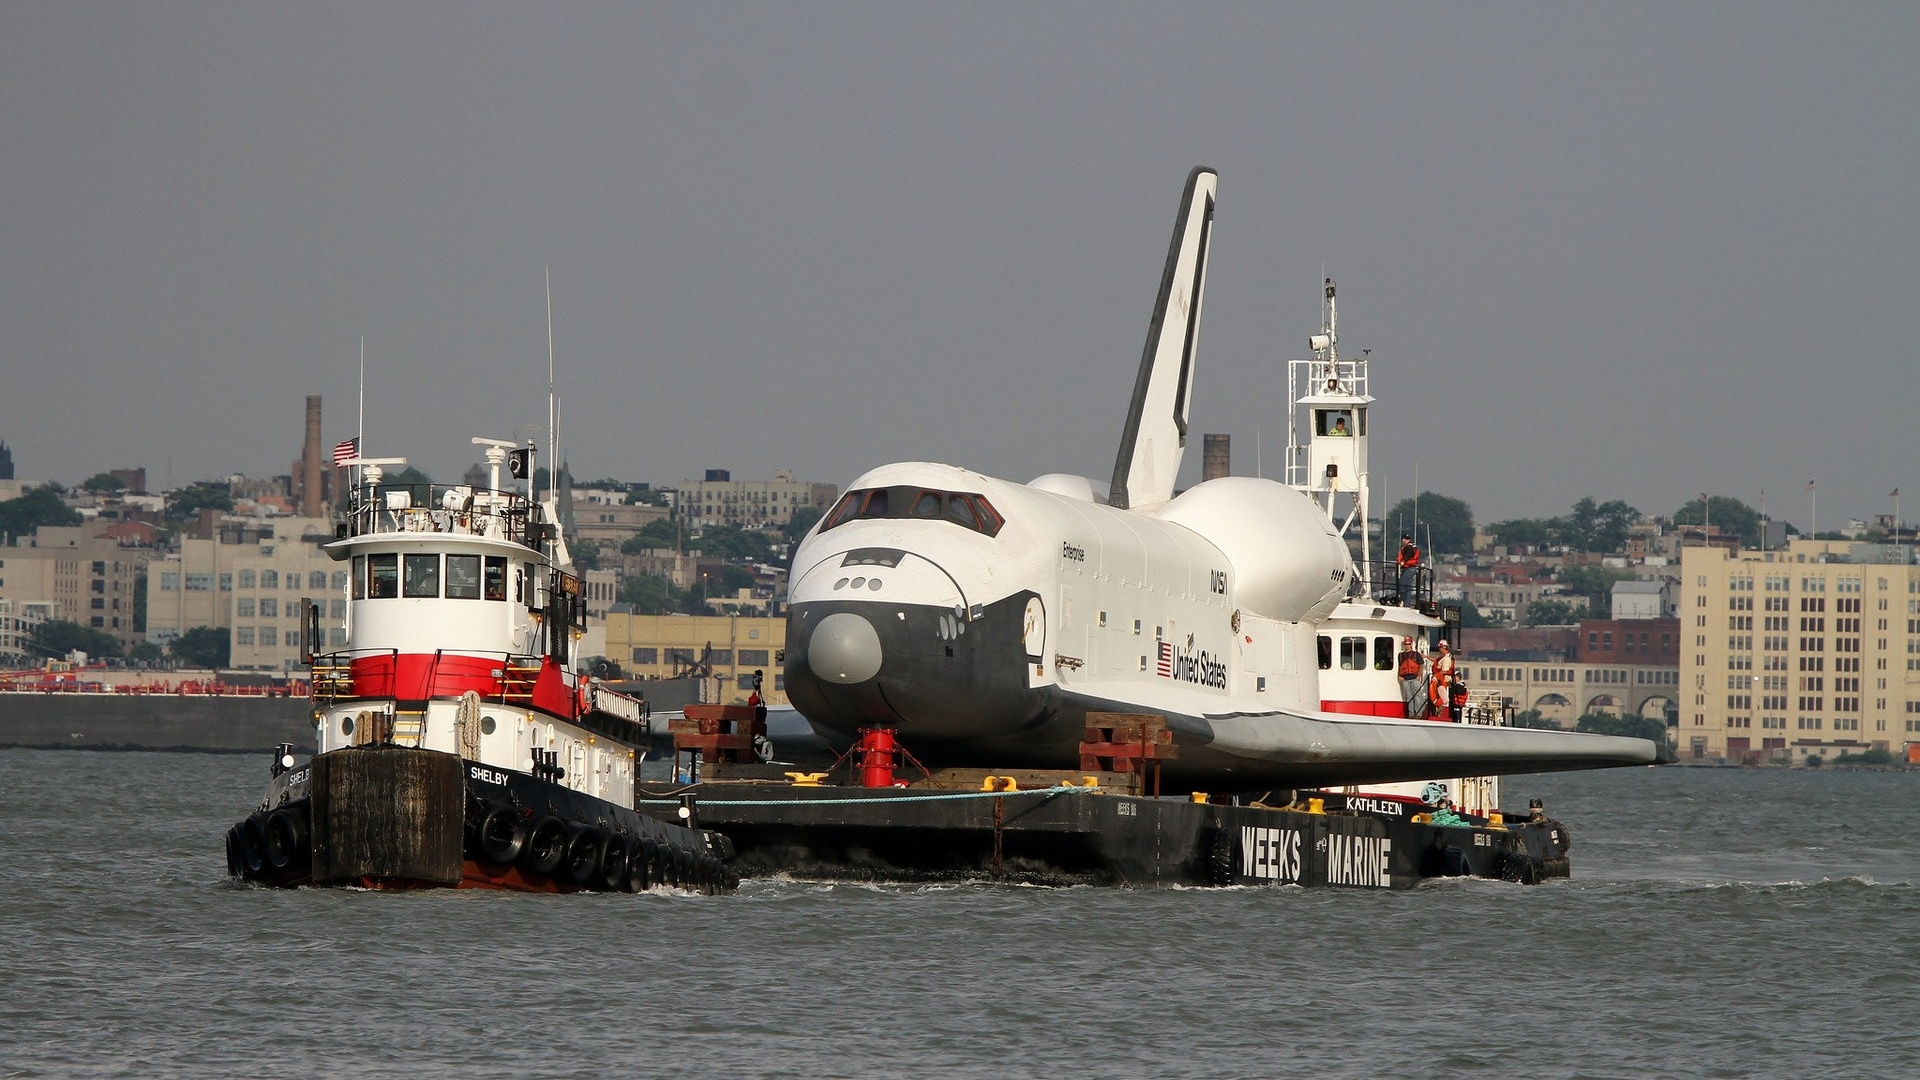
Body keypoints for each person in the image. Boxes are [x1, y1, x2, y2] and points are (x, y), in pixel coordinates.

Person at [1396, 636, 1427, 718]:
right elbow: (1400, 666)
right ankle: (1411, 714)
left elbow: (1421, 665)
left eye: (1408, 644)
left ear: (1411, 644)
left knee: (1417, 696)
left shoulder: (1416, 654)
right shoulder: (1400, 655)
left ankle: (1419, 713)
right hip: (1405, 679)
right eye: (1405, 644)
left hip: (1415, 678)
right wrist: (1399, 676)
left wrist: (1419, 676)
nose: (1407, 645)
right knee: (1409, 697)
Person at [1395, 533, 1421, 602]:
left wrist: (1403, 561)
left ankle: (1404, 601)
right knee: (1408, 587)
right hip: (1411, 568)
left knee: (1402, 585)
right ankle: (1407, 603)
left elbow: (1408, 554)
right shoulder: (1413, 546)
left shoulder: (1409, 547)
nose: (1405, 540)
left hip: (1409, 568)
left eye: (1406, 539)